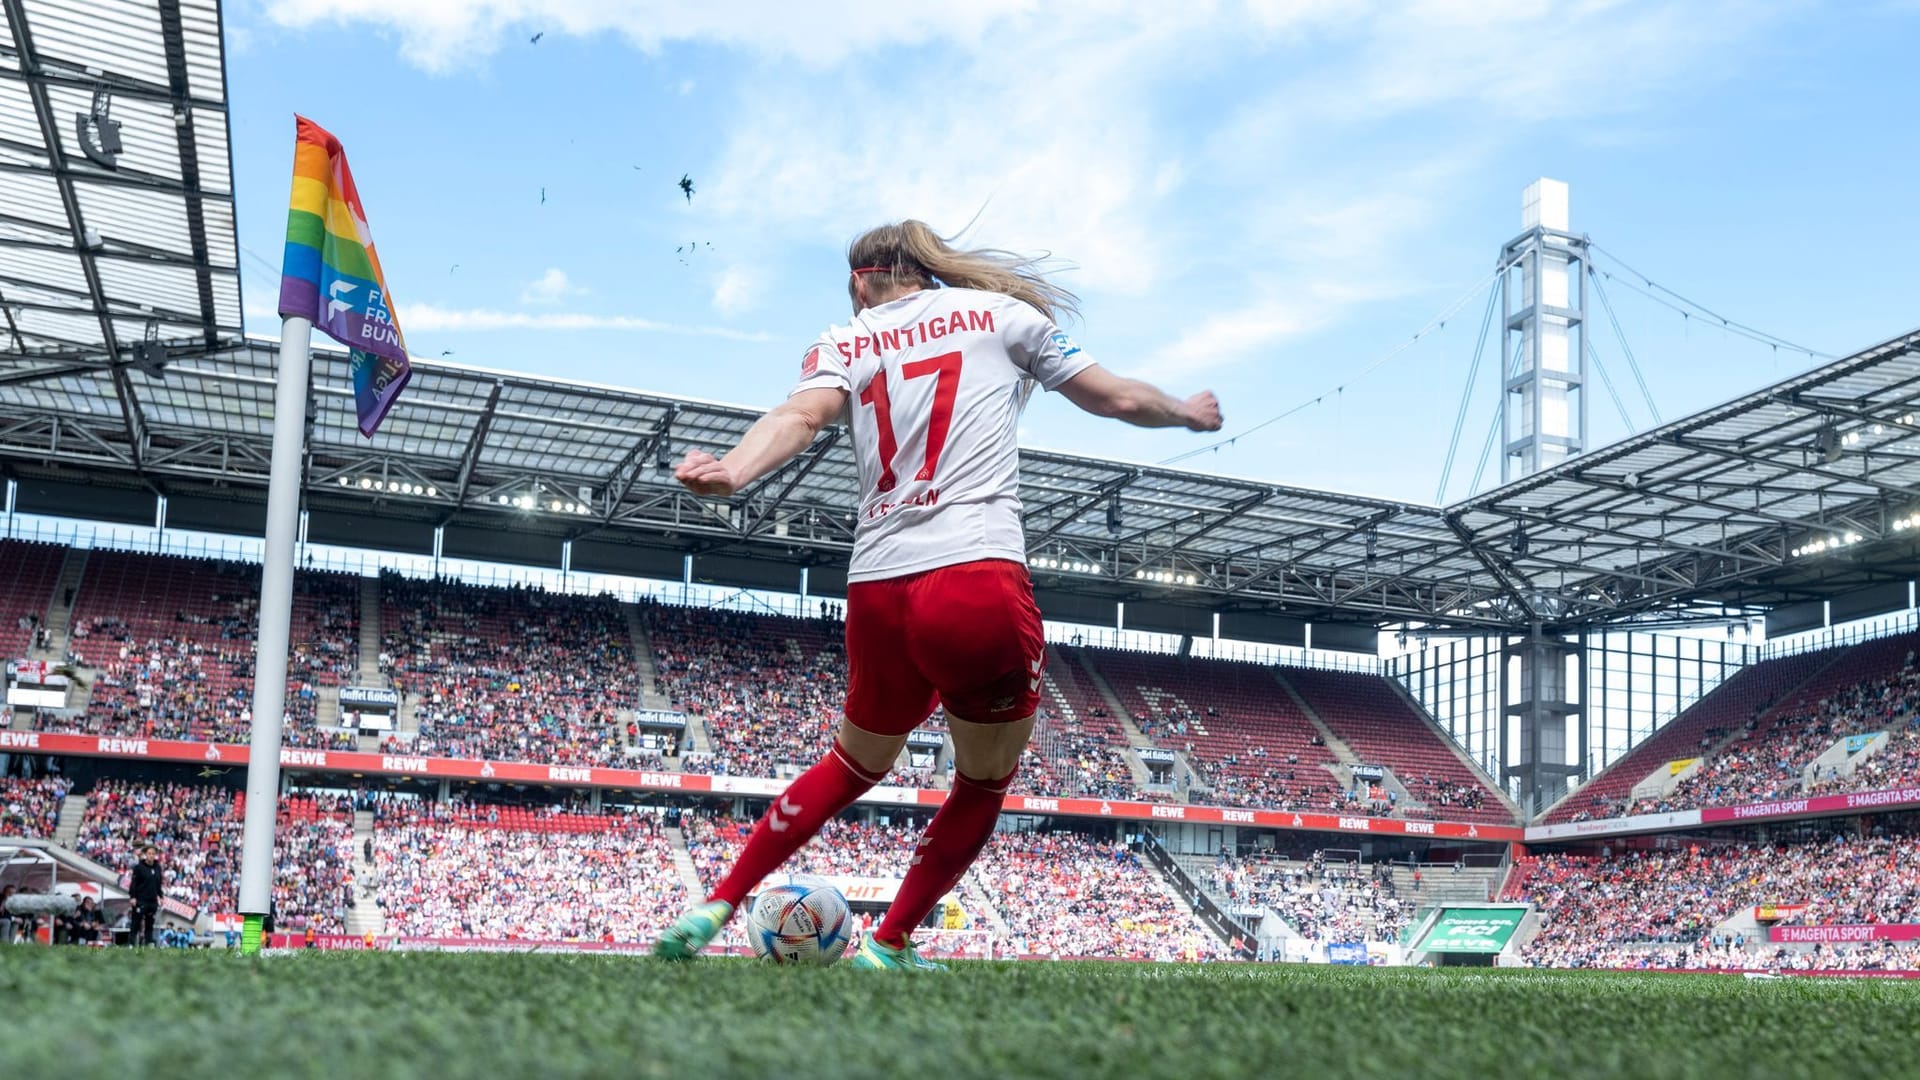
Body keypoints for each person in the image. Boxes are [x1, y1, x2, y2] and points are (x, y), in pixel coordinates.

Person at [652, 220, 1221, 969]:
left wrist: (732, 469)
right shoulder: (1001, 315)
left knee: (851, 764)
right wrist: (1184, 410)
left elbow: (797, 416)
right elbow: (1114, 398)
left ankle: (719, 900)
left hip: (878, 587)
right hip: (974, 574)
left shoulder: (842, 342)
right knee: (982, 781)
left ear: (862, 281)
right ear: (922, 269)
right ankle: (887, 944)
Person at [128, 845, 163, 947]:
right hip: (141, 899)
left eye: (153, 854)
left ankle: (149, 943)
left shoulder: (158, 867)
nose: (151, 856)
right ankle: (131, 943)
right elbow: (133, 883)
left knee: (150, 923)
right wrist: (132, 897)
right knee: (136, 922)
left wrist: (161, 896)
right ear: (145, 855)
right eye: (149, 853)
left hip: (152, 901)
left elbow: (158, 883)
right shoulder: (139, 868)